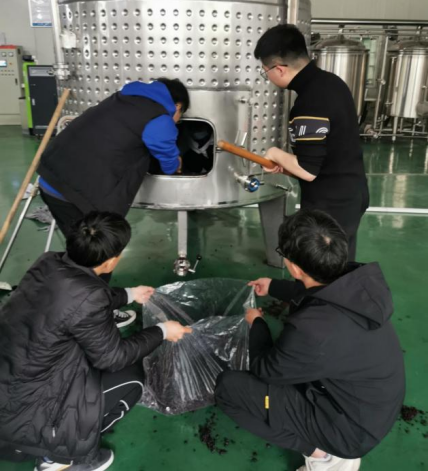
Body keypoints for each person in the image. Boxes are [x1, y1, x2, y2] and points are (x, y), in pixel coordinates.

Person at [0, 212, 192, 471]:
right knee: (131, 378)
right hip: (22, 418)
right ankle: (60, 457)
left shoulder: (48, 261)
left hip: (11, 380)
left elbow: (77, 295)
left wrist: (129, 294)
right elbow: (113, 358)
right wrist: (162, 331)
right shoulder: (90, 297)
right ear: (111, 261)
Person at [215, 209, 405, 471]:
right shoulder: (358, 284)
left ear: (294, 267)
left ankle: (321, 454)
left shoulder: (312, 331)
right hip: (374, 406)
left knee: (228, 388)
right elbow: (314, 288)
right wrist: (273, 286)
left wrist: (256, 324)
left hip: (350, 431)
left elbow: (266, 370)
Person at [38, 77, 190, 327]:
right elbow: (164, 153)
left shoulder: (122, 99)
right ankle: (95, 316)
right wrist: (176, 162)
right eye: (180, 116)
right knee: (100, 254)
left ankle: (69, 304)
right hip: (75, 193)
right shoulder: (159, 117)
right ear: (177, 106)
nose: (176, 121)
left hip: (51, 179)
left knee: (81, 254)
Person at [254, 25, 369, 260]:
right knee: (339, 264)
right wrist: (287, 165)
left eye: (266, 72)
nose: (268, 78)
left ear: (279, 69)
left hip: (331, 203)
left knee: (321, 270)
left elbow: (308, 170)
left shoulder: (310, 101)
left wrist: (275, 153)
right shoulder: (331, 83)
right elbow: (327, 152)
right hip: (348, 193)